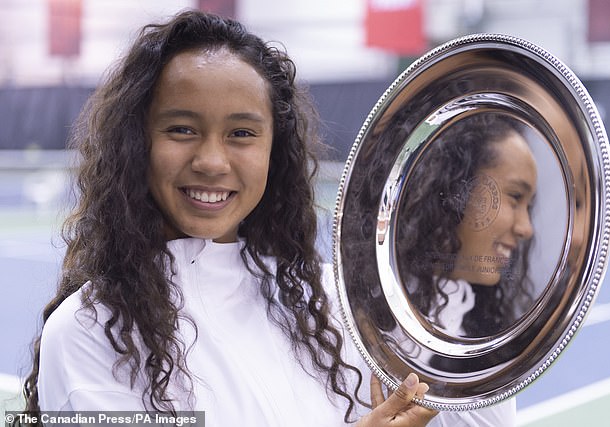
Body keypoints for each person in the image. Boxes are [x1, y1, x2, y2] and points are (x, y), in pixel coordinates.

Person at [20, 9, 438, 427]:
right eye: (182, 129)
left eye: (241, 134)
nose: (212, 162)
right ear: (136, 143)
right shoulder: (89, 331)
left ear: (274, 153)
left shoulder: (335, 306)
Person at [396, 113, 538, 337]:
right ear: (455, 190)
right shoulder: (343, 316)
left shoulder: (478, 339)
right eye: (515, 196)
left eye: (528, 207)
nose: (526, 228)